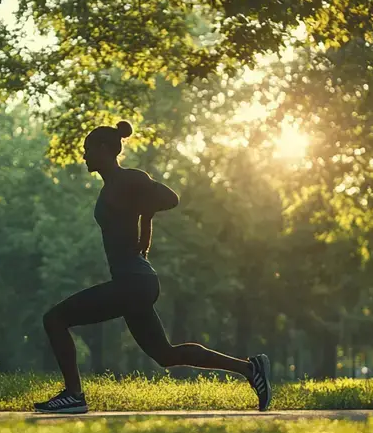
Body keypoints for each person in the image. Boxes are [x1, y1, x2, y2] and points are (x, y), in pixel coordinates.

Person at [35, 120, 272, 414]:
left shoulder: (128, 179)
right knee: (165, 355)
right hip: (134, 282)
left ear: (104, 149)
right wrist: (143, 220)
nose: (84, 157)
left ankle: (74, 395)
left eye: (87, 151)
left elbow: (170, 198)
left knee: (55, 319)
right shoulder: (114, 187)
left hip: (133, 283)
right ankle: (250, 369)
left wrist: (146, 218)